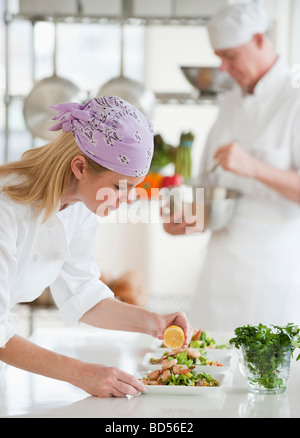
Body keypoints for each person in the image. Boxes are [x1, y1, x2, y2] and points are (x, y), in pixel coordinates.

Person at [0, 96, 192, 398]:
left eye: (135, 188)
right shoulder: (5, 209)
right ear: (79, 166)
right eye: (121, 187)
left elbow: (83, 293)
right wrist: (81, 373)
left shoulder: (80, 204)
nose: (129, 199)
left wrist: (154, 322)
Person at [163, 3, 300, 331]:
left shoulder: (294, 98)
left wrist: (254, 167)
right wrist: (185, 221)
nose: (223, 68)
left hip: (276, 275)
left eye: (230, 56)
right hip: (220, 274)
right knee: (212, 367)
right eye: (218, 57)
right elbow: (210, 187)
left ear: (259, 40)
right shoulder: (230, 103)